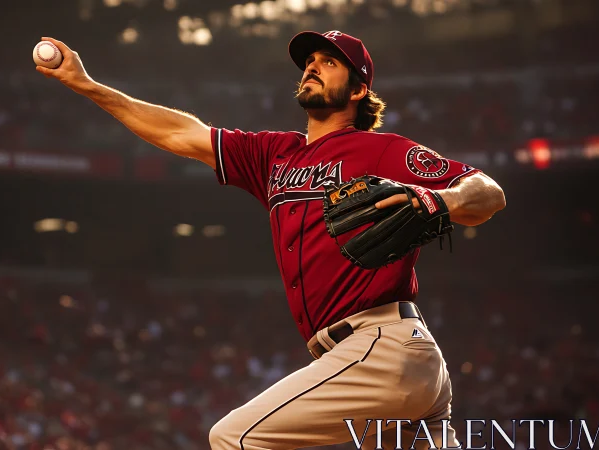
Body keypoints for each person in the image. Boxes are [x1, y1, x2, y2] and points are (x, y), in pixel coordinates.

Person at [36, 30, 506, 450]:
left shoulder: (383, 149)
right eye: (309, 61)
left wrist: (438, 200)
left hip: (382, 345)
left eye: (329, 62)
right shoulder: (272, 155)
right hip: (381, 364)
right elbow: (183, 133)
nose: (312, 66)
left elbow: (488, 191)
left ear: (360, 89)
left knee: (234, 439)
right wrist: (89, 87)